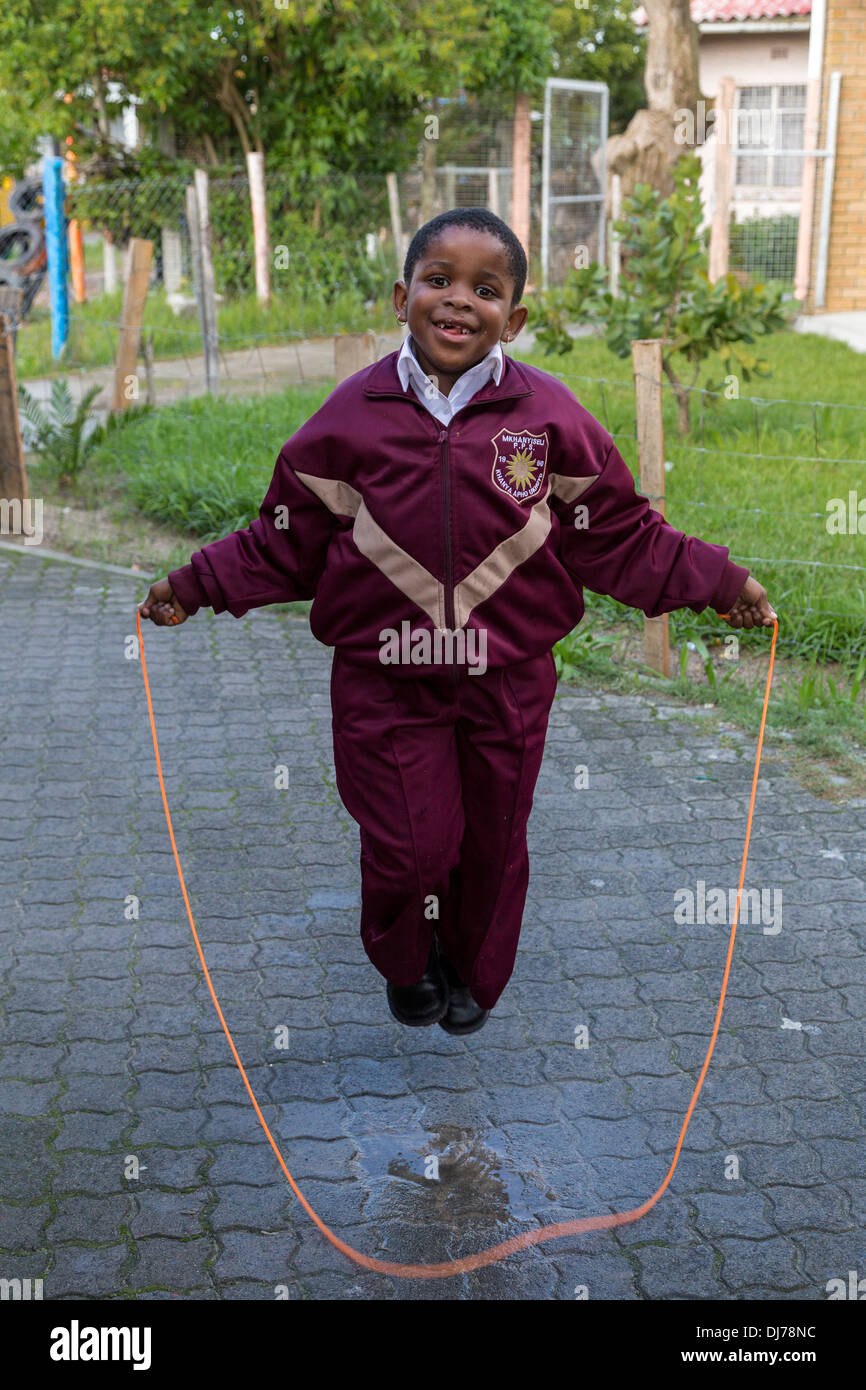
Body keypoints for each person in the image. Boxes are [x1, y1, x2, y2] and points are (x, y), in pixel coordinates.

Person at [139, 207, 777, 1038]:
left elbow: (620, 535)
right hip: (382, 684)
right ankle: (408, 961)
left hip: (508, 684)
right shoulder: (348, 419)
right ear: (403, 296)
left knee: (493, 841)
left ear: (513, 318)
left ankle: (472, 970)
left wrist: (719, 581)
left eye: (485, 288)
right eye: (438, 281)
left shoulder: (549, 420)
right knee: (409, 845)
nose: (458, 301)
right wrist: (195, 584)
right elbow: (285, 538)